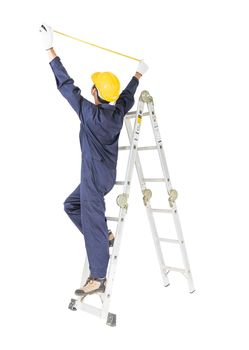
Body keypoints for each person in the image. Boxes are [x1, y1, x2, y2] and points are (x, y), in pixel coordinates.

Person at [40, 23, 149, 297]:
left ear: (96, 93)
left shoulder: (90, 114)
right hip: (105, 178)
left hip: (92, 179)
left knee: (93, 221)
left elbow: (66, 85)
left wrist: (49, 49)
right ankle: (104, 236)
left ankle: (98, 277)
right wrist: (137, 74)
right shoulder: (116, 113)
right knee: (70, 205)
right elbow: (126, 96)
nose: (90, 89)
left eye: (93, 87)